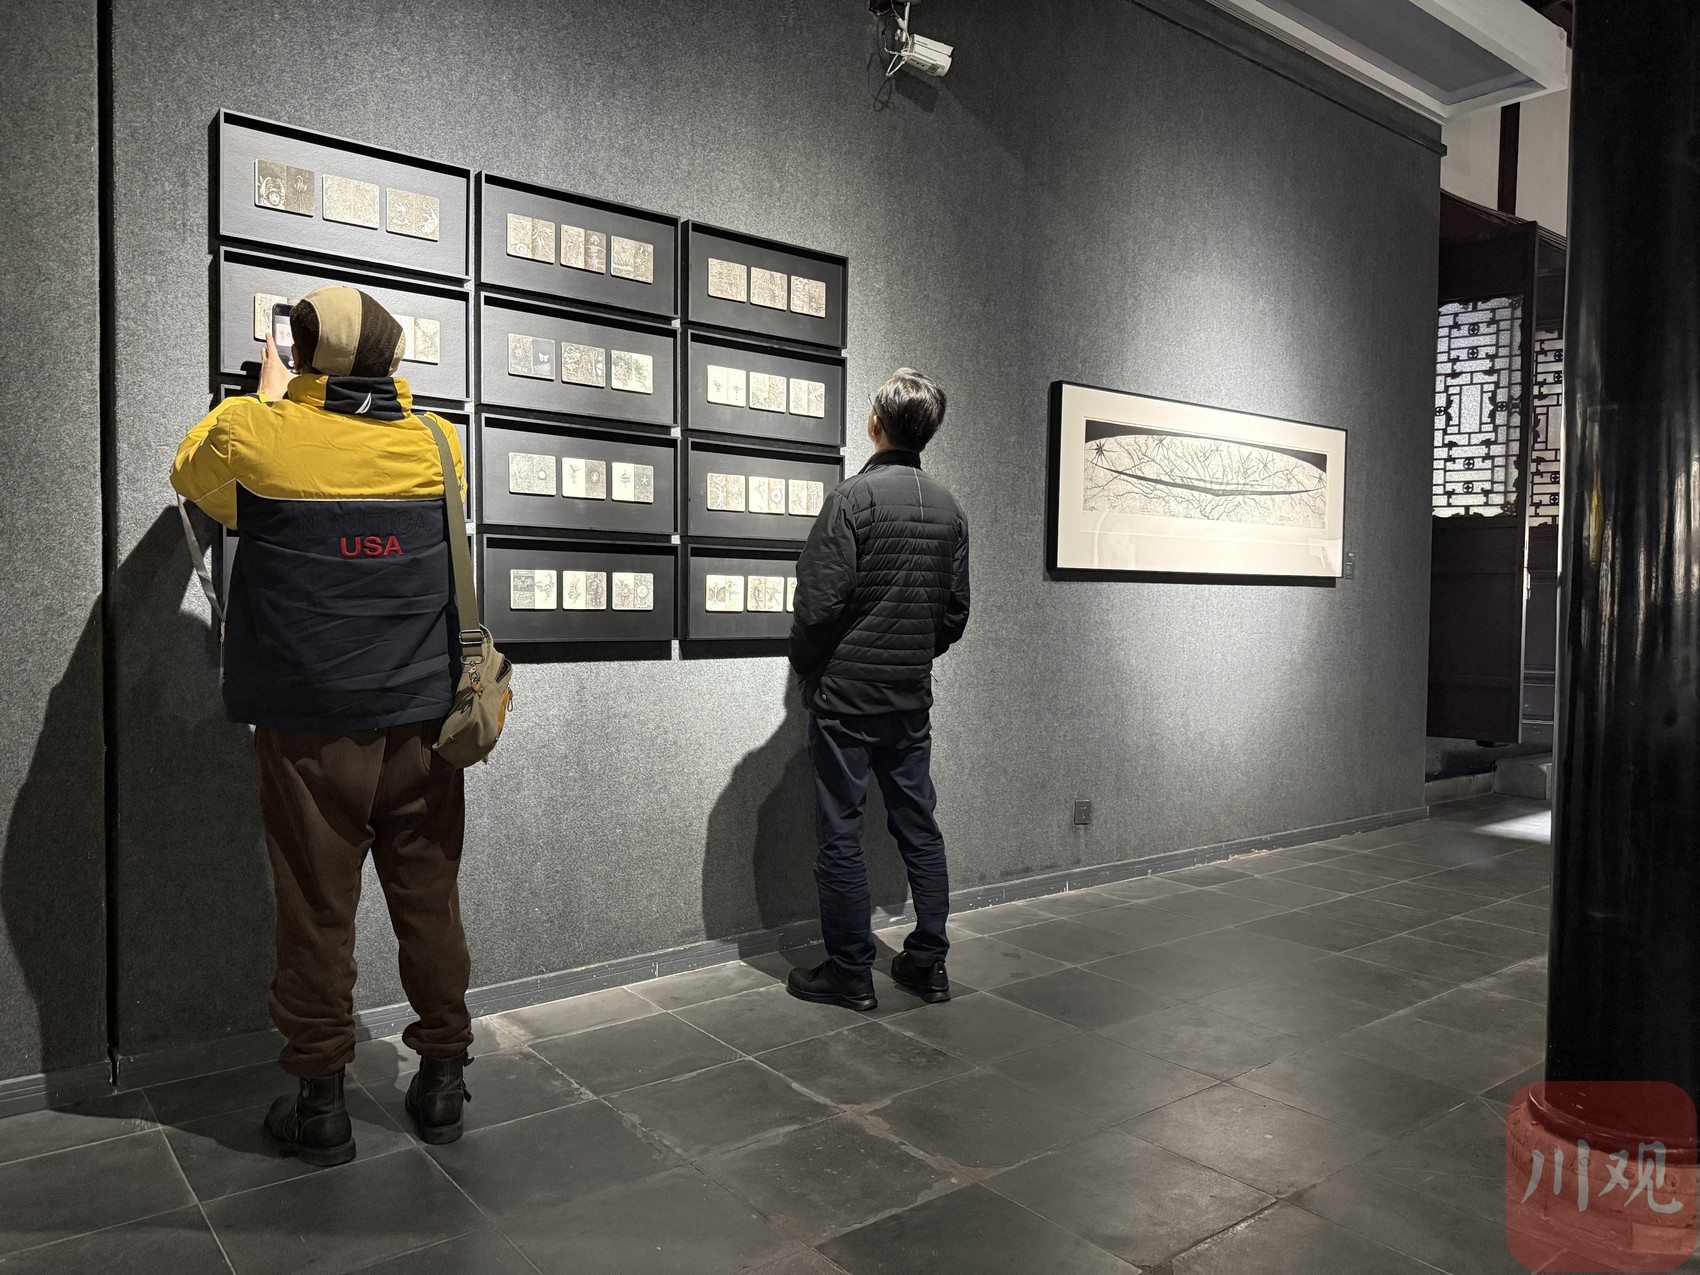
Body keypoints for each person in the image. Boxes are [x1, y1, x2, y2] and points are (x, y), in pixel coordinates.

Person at [171, 286, 475, 1166]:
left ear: (302, 354)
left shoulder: (256, 432)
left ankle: (321, 1103)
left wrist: (270, 396)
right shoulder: (438, 443)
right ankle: (443, 1079)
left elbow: (194, 477)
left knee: (316, 911)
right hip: (425, 722)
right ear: (391, 356)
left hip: (310, 730)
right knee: (430, 901)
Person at [786, 368, 970, 1011]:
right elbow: (954, 615)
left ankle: (851, 972)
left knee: (841, 833)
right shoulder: (949, 508)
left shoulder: (851, 501)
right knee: (919, 826)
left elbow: (818, 606)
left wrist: (810, 669)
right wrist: (911, 654)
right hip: (909, 699)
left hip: (846, 701)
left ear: (875, 423)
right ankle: (929, 962)